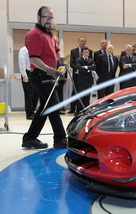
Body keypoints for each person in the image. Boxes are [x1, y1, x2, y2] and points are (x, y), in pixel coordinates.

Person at [22, 6, 66, 149]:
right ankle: (60, 139)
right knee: (54, 106)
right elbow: (34, 59)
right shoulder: (34, 34)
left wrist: (61, 58)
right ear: (39, 18)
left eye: (51, 18)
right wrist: (50, 70)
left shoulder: (49, 34)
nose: (49, 21)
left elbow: (57, 50)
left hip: (48, 75)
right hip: (41, 75)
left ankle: (29, 138)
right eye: (46, 18)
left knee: (46, 108)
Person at [69, 36, 92, 114]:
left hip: (86, 76)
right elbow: (72, 63)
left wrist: (84, 70)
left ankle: (84, 108)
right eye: (81, 41)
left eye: (84, 41)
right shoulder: (73, 51)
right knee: (75, 91)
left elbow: (91, 63)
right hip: (76, 74)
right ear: (78, 42)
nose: (83, 42)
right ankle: (73, 107)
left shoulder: (90, 51)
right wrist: (78, 69)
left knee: (85, 92)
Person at [18, 46, 38, 120]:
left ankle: (33, 111)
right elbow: (21, 62)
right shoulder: (23, 50)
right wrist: (24, 75)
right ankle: (29, 113)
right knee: (29, 95)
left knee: (36, 94)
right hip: (27, 72)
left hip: (35, 72)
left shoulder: (35, 48)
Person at [76, 47, 96, 114]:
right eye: (85, 52)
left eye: (87, 52)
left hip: (89, 81)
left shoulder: (91, 60)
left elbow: (94, 67)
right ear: (82, 53)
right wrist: (88, 69)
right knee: (80, 96)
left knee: (87, 97)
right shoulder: (79, 59)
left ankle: (86, 111)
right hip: (81, 81)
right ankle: (78, 111)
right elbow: (79, 68)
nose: (86, 53)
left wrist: (86, 67)